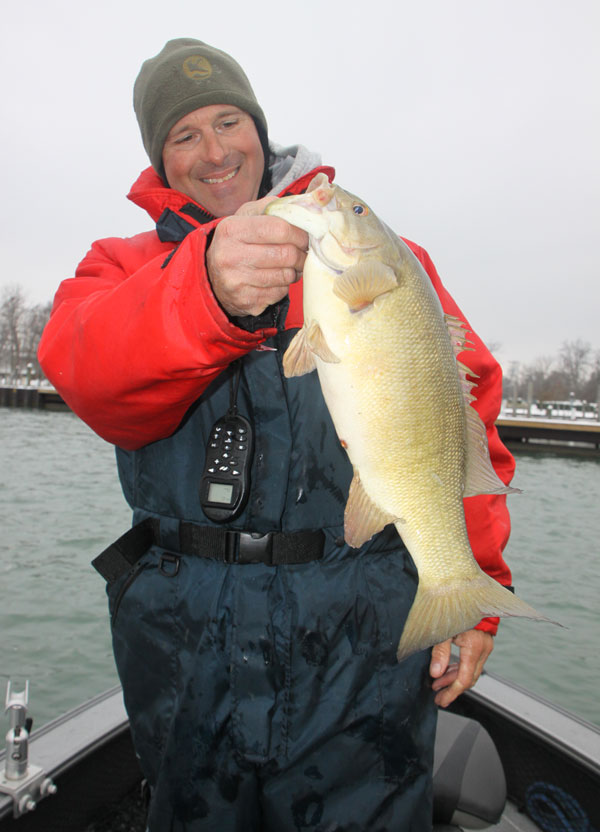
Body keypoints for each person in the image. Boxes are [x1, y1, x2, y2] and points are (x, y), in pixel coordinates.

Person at [38, 38, 516, 831]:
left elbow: (462, 425)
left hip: (360, 634)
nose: (216, 150)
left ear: (261, 128)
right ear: (161, 160)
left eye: (230, 121)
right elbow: (86, 371)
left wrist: (474, 596)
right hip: (183, 642)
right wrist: (204, 290)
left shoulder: (389, 267)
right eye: (184, 136)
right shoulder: (121, 266)